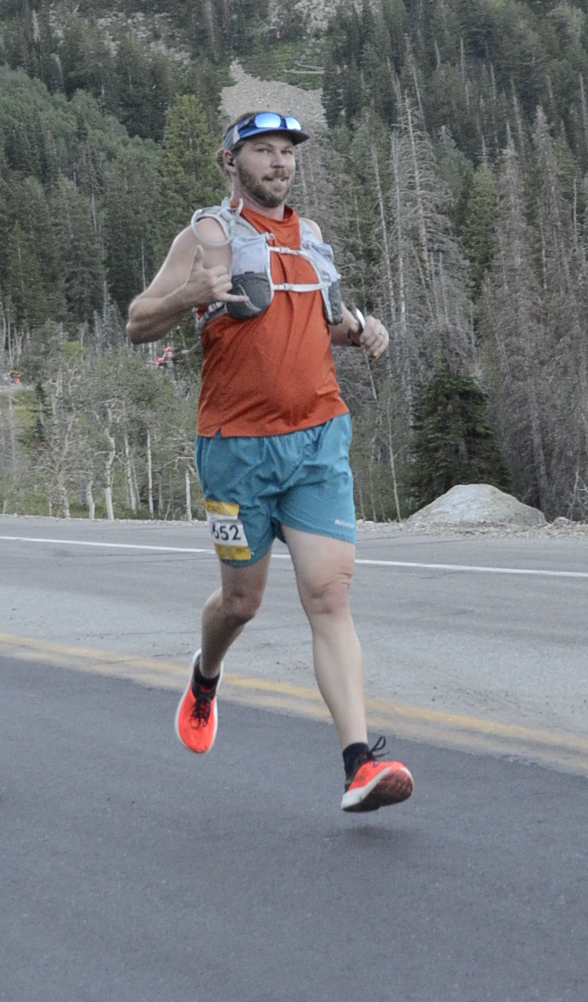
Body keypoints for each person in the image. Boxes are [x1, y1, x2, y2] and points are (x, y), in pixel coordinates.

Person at [126, 112, 413, 813]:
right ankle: (206, 675)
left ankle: (358, 762)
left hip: (317, 438)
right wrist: (190, 295)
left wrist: (364, 329)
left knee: (330, 596)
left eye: (287, 152)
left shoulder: (309, 238)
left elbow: (323, 320)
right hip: (235, 449)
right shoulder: (206, 237)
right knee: (242, 602)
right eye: (263, 151)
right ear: (231, 162)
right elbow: (137, 321)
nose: (280, 162)